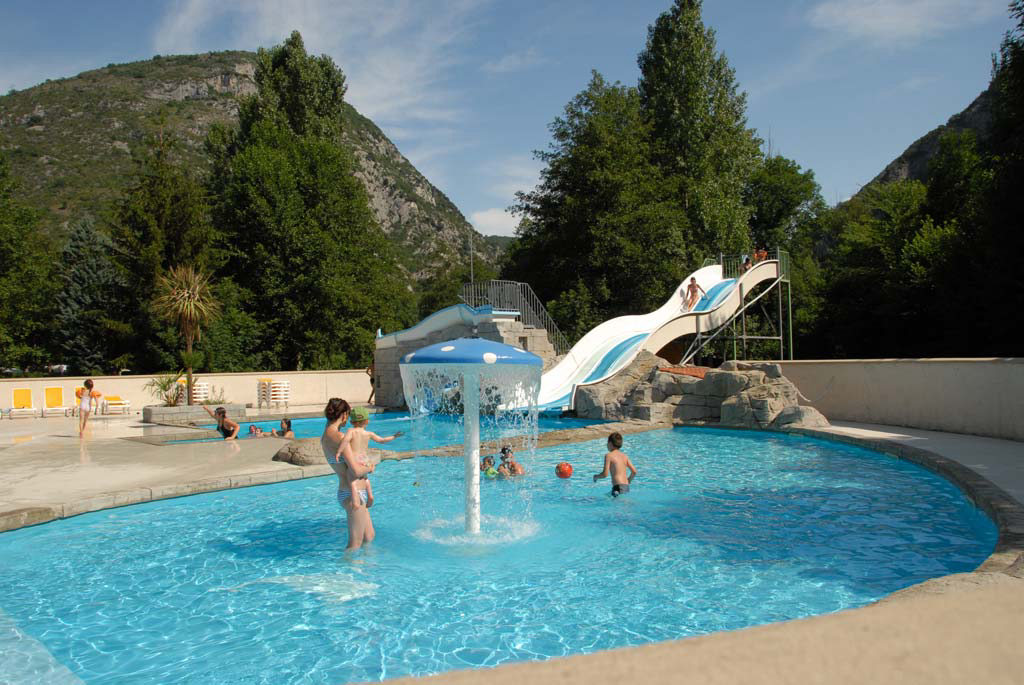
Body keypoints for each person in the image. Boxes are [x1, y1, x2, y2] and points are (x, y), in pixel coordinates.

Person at [321, 398, 375, 551]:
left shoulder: (326, 434)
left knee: (369, 536)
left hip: (351, 491)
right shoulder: (339, 437)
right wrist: (370, 467)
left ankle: (364, 573)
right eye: (348, 416)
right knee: (355, 544)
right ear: (344, 415)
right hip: (353, 495)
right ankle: (345, 573)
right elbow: (356, 471)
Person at [592, 432, 636, 497]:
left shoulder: (609, 455)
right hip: (626, 487)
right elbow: (634, 472)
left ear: (610, 443)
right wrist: (628, 480)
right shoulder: (624, 456)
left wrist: (596, 477)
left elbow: (605, 474)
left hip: (617, 488)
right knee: (608, 496)